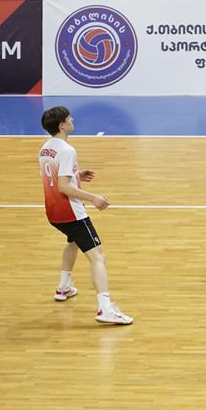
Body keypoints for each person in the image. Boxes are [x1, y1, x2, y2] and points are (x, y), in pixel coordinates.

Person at [38, 106, 133, 325]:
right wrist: (93, 198)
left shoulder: (45, 149)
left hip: (53, 212)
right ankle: (105, 308)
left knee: (73, 241)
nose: (72, 119)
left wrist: (76, 175)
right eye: (68, 118)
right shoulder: (67, 150)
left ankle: (64, 287)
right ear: (62, 125)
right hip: (72, 213)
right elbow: (63, 186)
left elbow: (54, 178)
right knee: (97, 256)